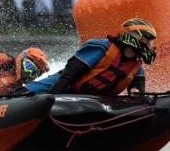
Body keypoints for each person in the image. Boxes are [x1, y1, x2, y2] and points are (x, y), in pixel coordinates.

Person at [27, 18, 157, 96]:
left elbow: (138, 95)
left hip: (94, 101)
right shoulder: (101, 48)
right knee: (25, 92)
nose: (151, 47)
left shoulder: (136, 67)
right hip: (63, 85)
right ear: (133, 37)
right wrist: (51, 97)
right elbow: (69, 75)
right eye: (147, 41)